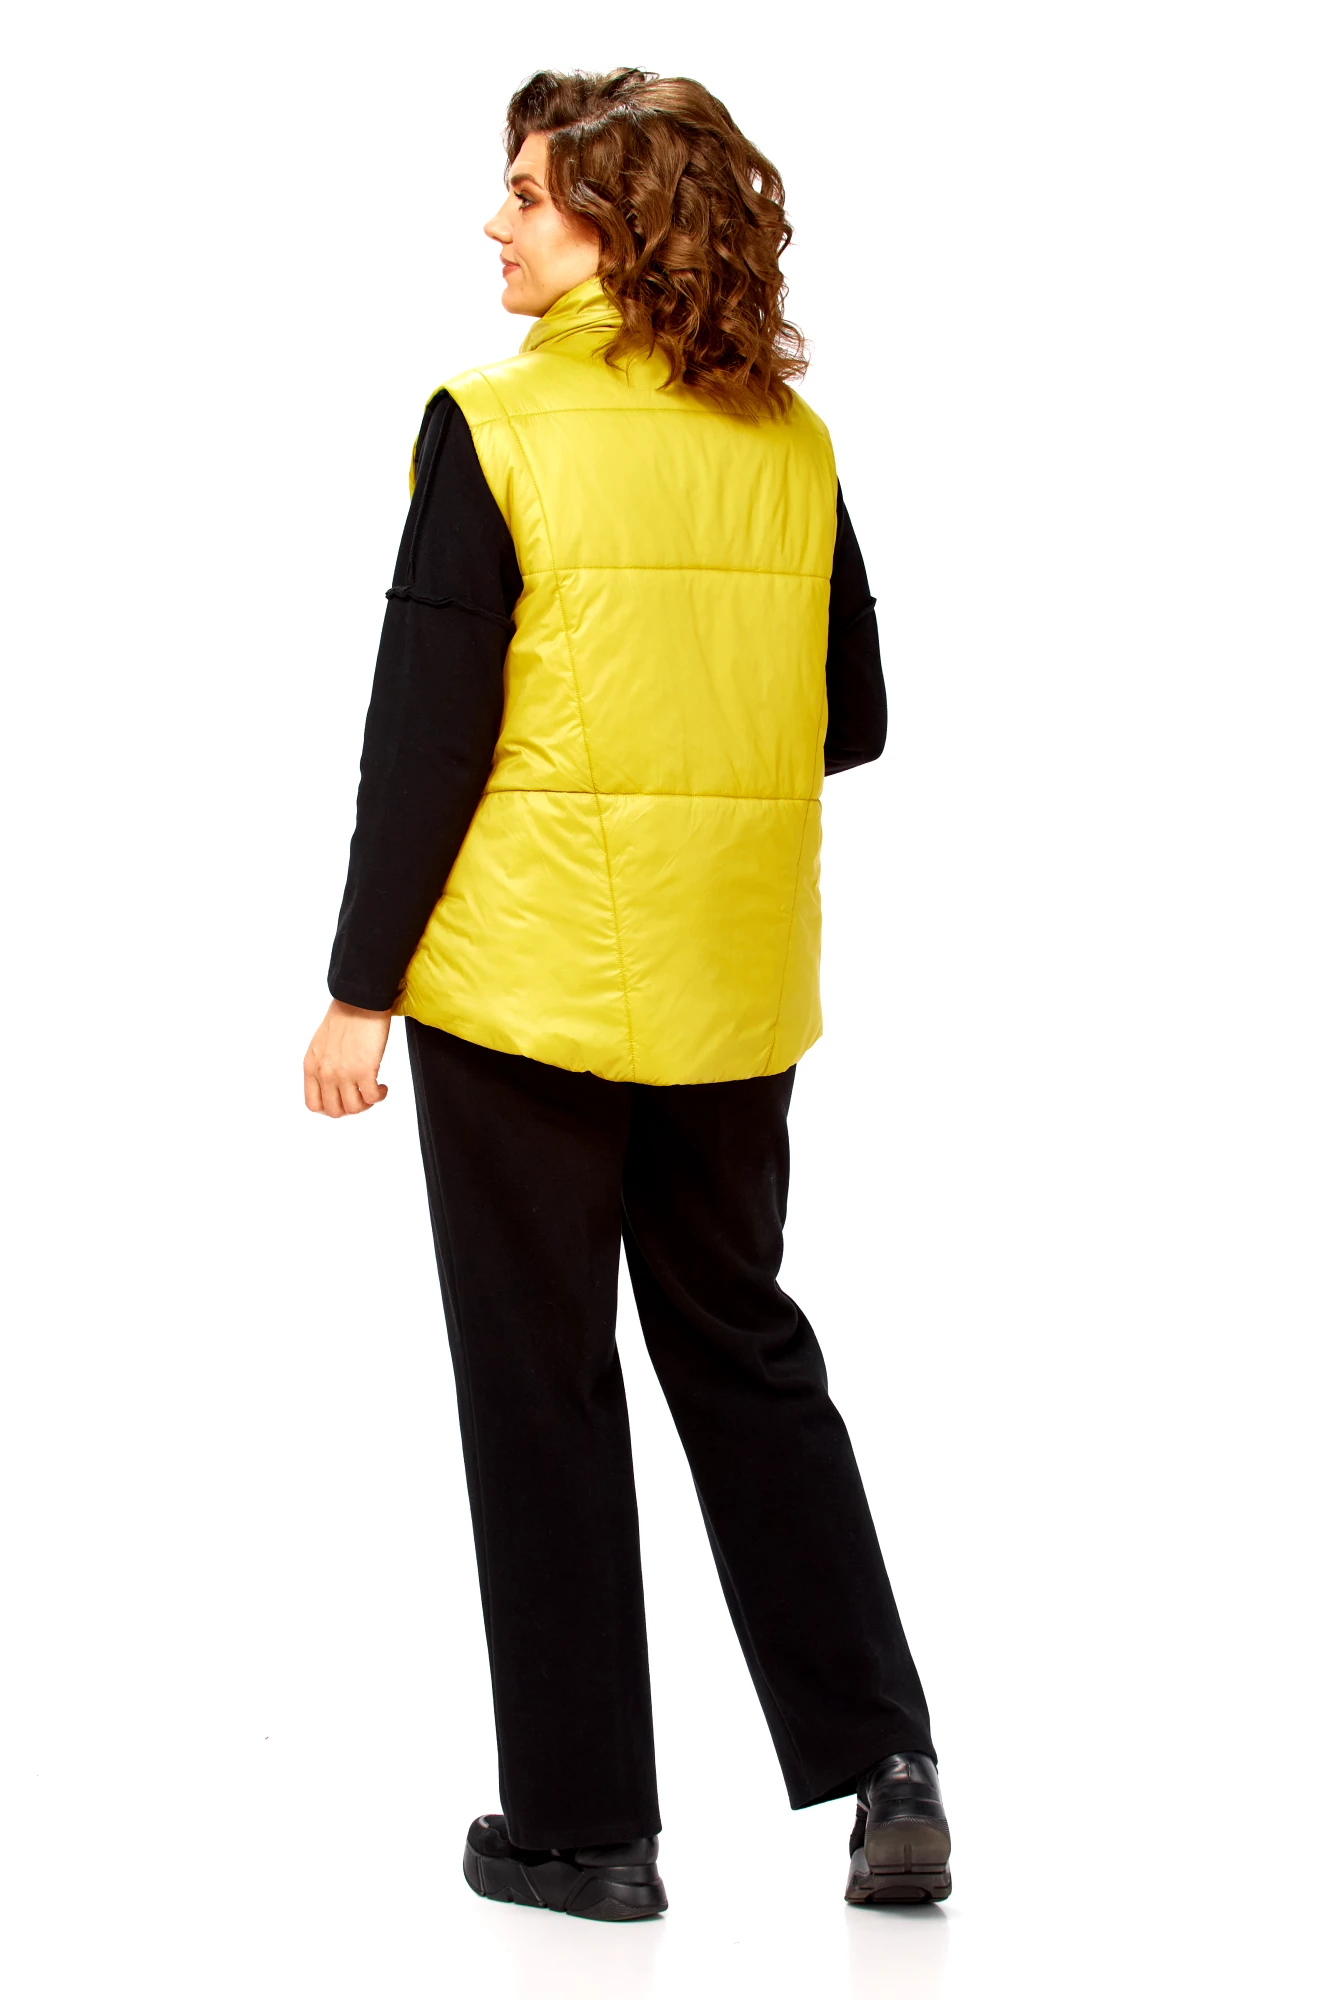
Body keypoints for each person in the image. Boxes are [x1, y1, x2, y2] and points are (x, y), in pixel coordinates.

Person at [303, 67, 950, 1922]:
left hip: (521, 988)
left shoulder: (491, 427)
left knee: (544, 1381)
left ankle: (586, 1831)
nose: (493, 221)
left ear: (616, 225)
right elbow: (852, 716)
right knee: (742, 1350)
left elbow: (428, 736)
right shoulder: (789, 441)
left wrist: (359, 991)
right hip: (732, 982)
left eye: (525, 193)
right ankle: (892, 1770)